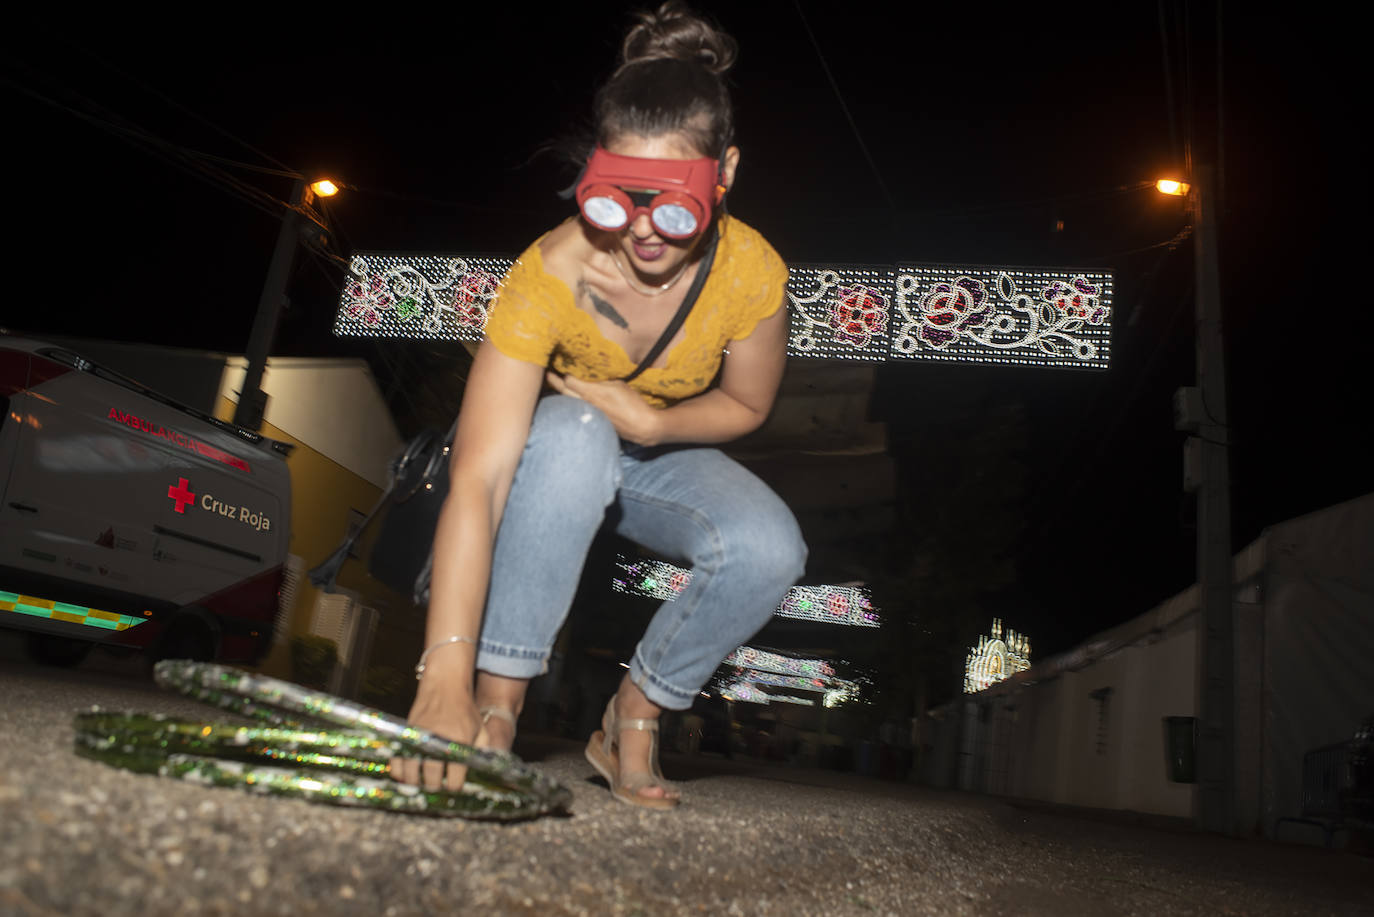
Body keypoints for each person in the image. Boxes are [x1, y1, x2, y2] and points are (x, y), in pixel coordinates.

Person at [390, 1, 806, 810]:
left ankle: (633, 716)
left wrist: (653, 422)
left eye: (674, 203)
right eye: (621, 197)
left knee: (769, 547)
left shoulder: (752, 273)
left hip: (662, 452)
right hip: (561, 451)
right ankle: (496, 706)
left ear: (723, 174)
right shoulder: (549, 274)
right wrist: (442, 671)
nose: (644, 232)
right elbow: (479, 479)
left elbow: (747, 403)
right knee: (578, 428)